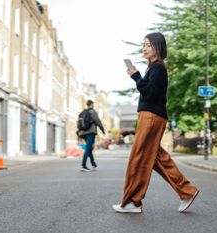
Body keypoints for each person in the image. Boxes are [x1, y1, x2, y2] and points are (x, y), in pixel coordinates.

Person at [112, 32, 199, 213]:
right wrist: (138, 76)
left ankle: (132, 202)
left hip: (151, 117)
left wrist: (136, 77)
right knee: (157, 158)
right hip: (151, 116)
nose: (144, 48)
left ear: (157, 48)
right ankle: (187, 191)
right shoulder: (153, 68)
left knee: (139, 158)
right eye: (143, 45)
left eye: (148, 45)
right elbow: (150, 91)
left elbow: (150, 93)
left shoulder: (158, 68)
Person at [78, 100, 105, 172]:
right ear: (91, 104)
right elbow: (98, 122)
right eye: (93, 104)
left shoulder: (83, 112)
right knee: (88, 148)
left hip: (83, 133)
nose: (94, 105)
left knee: (89, 149)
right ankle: (83, 165)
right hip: (90, 132)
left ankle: (93, 164)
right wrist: (102, 130)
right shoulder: (93, 112)